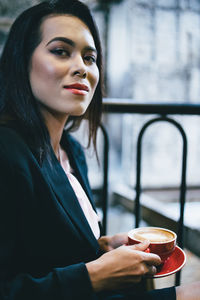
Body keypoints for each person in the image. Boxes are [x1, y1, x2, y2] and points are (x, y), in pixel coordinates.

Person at [0, 0, 199, 299]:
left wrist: (102, 248)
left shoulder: (71, 149)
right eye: (60, 51)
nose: (82, 67)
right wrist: (95, 275)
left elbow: (45, 249)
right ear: (21, 60)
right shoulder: (7, 151)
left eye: (90, 57)